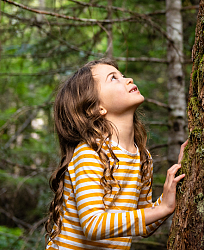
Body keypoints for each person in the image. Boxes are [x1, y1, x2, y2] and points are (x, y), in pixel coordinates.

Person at [45, 58, 186, 249]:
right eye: (113, 78)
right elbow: (93, 225)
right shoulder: (89, 154)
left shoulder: (142, 157)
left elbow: (144, 222)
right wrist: (163, 208)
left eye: (123, 75)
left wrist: (177, 180)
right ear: (96, 108)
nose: (128, 79)